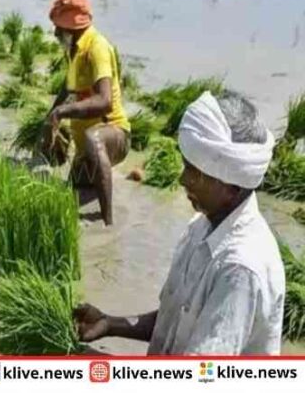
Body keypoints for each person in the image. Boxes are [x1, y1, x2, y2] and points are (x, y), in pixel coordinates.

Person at [73, 90, 284, 355]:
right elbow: (176, 319)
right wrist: (110, 323)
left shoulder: (240, 270)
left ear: (231, 184)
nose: (183, 180)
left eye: (194, 171)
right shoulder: (202, 226)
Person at [42, 0, 130, 226]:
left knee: (94, 139)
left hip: (113, 133)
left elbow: (104, 102)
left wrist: (63, 112)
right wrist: (50, 118)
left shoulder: (96, 48)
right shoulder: (73, 50)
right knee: (72, 194)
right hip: (86, 150)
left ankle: (108, 222)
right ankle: (100, 178)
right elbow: (67, 90)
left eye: (60, 27)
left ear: (73, 26)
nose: (56, 32)